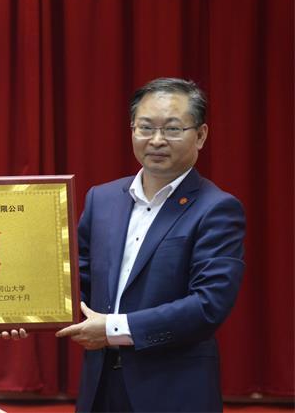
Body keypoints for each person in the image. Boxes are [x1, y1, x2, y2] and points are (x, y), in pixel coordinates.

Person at [56, 78, 245, 412]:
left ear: (201, 135)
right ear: (132, 130)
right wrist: (26, 313)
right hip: (100, 388)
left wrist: (113, 329)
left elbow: (208, 305)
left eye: (172, 129)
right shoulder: (102, 199)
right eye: (145, 127)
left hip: (171, 391)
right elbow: (76, 282)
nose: (156, 140)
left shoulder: (217, 209)